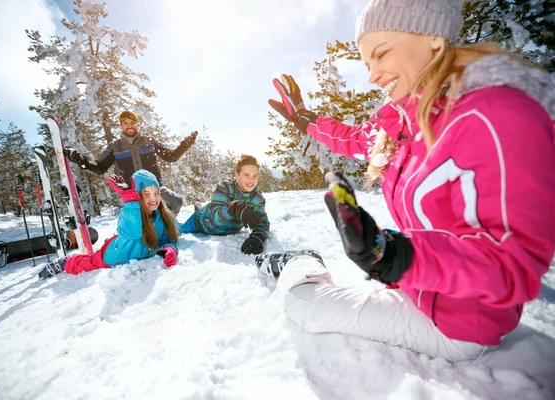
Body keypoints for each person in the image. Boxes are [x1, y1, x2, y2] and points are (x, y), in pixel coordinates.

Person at [261, 0, 555, 361]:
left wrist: (400, 256)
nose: (372, 74)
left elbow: (514, 263)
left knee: (301, 302)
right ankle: (304, 265)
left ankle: (300, 263)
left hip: (461, 324)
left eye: (382, 54)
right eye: (367, 63)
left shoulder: (497, 116)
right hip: (417, 289)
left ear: (432, 39)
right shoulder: (402, 123)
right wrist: (305, 119)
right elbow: (353, 138)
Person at [39, 169, 179, 278]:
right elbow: (134, 232)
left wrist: (171, 248)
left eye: (156, 193)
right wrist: (131, 202)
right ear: (137, 196)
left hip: (135, 250)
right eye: (146, 194)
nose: (153, 199)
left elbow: (171, 239)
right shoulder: (130, 212)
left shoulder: (166, 217)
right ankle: (66, 262)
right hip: (117, 253)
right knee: (88, 263)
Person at [63, 110, 198, 216]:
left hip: (154, 189)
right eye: (126, 123)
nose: (129, 126)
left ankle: (167, 228)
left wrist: (185, 144)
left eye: (132, 122)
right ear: (121, 126)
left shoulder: (149, 142)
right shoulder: (115, 147)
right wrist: (80, 160)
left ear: (137, 124)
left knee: (176, 201)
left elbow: (171, 156)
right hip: (132, 192)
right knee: (142, 221)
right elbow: (100, 168)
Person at [179, 155, 270, 255]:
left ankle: (200, 205)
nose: (251, 180)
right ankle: (196, 209)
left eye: (255, 176)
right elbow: (214, 219)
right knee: (179, 229)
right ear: (237, 175)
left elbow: (262, 222)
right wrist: (234, 208)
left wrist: (258, 236)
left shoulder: (257, 199)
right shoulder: (225, 187)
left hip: (229, 229)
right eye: (246, 175)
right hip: (200, 222)